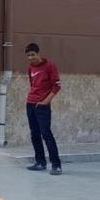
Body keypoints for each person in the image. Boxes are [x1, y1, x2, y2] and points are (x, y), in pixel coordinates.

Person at [24, 43, 62, 175]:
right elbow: (32, 85)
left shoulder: (50, 66)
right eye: (28, 56)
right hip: (30, 104)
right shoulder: (30, 68)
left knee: (46, 134)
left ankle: (56, 165)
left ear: (38, 54)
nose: (30, 58)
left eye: (32, 55)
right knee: (34, 134)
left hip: (42, 106)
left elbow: (56, 87)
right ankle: (40, 162)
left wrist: (45, 102)